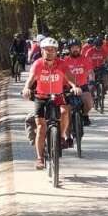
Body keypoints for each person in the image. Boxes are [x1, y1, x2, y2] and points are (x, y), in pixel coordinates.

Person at [22, 38, 82, 169]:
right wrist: (26, 88)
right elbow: (31, 78)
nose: (50, 52)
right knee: (41, 128)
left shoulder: (61, 63)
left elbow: (69, 76)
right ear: (42, 51)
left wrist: (75, 86)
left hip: (58, 96)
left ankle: (60, 137)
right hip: (41, 97)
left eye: (53, 50)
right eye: (47, 50)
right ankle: (40, 158)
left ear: (56, 51)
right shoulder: (38, 64)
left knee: (65, 111)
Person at [59, 39, 94, 126]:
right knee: (67, 109)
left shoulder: (85, 59)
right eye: (73, 48)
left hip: (82, 86)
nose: (75, 49)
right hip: (67, 87)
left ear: (80, 48)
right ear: (69, 49)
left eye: (77, 47)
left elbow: (91, 72)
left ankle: (85, 115)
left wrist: (92, 81)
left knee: (89, 103)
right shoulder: (65, 60)